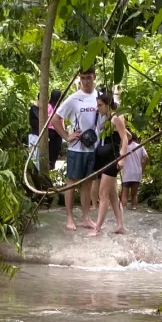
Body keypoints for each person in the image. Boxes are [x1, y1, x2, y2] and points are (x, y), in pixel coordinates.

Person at [50, 66, 102, 231]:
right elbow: (56, 119)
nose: (86, 81)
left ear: (94, 77)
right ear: (79, 78)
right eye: (83, 77)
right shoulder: (73, 99)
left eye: (89, 77)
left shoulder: (99, 96)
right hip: (76, 148)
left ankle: (86, 217)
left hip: (93, 147)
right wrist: (66, 136)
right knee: (72, 183)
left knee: (87, 183)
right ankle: (69, 217)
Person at [91, 89, 129, 235]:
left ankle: (97, 228)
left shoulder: (116, 118)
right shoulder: (108, 120)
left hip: (111, 159)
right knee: (113, 194)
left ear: (107, 105)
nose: (98, 108)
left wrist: (122, 159)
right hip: (104, 158)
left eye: (100, 105)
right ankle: (120, 224)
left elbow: (125, 139)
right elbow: (126, 133)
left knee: (103, 194)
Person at [120, 131, 148, 209]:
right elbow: (146, 157)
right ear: (136, 139)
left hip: (127, 173)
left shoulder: (125, 147)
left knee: (124, 193)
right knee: (134, 194)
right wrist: (142, 168)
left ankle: (124, 209)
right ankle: (134, 207)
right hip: (137, 173)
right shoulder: (140, 146)